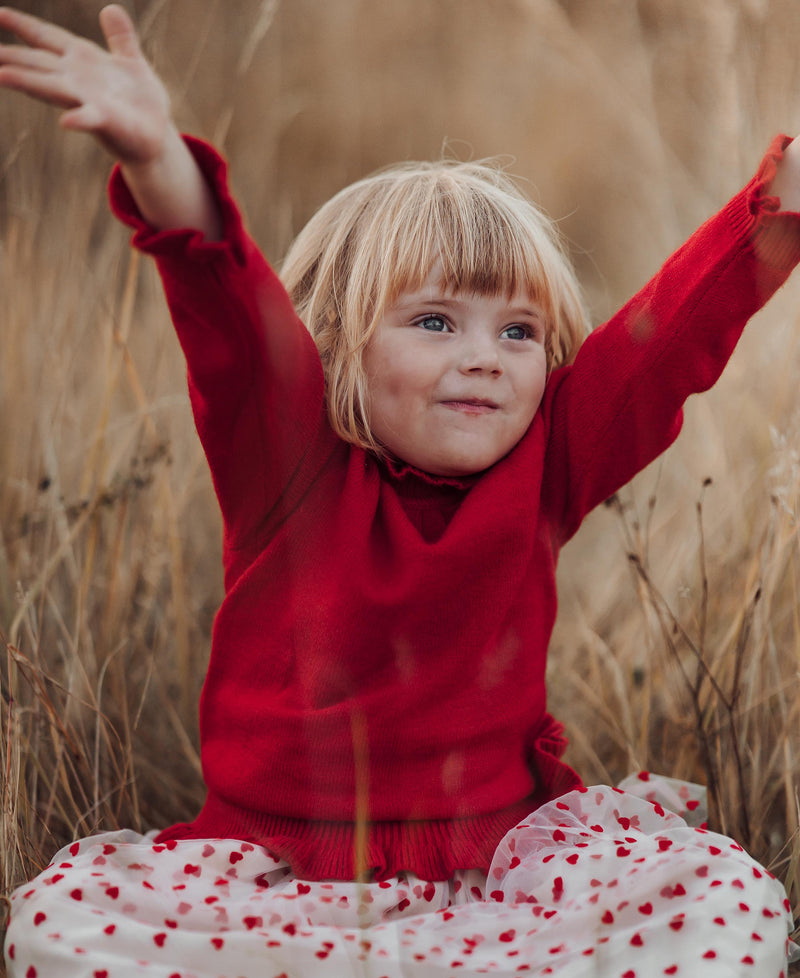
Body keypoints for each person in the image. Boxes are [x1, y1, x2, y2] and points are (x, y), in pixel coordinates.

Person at [0, 5, 797, 976]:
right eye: (433, 322)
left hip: (502, 873)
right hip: (276, 881)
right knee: (65, 936)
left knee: (724, 917)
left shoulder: (545, 461)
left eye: (517, 333)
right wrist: (157, 158)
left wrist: (780, 195)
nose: (484, 361)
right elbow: (228, 308)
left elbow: (661, 341)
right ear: (335, 341)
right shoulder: (285, 465)